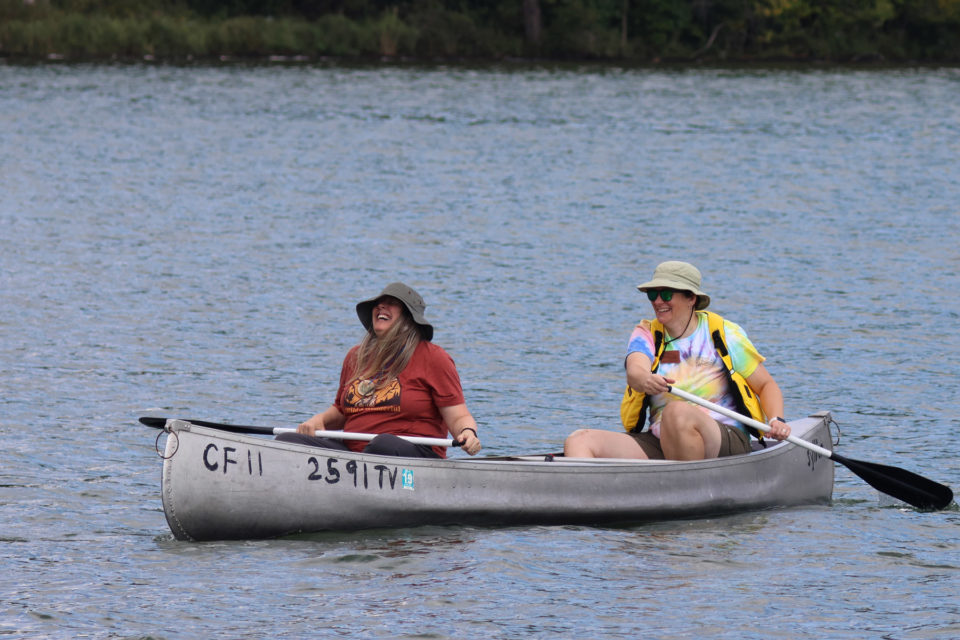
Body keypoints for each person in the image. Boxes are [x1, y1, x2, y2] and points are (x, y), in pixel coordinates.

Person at [564, 261, 790, 461]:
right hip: (663, 437)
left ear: (691, 298)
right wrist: (645, 379)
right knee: (579, 441)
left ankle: (689, 490)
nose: (658, 301)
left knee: (676, 413)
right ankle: (592, 501)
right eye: (653, 295)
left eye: (667, 294)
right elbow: (635, 370)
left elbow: (766, 385)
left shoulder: (724, 334)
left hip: (723, 436)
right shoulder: (647, 333)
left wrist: (776, 420)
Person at [277, 282, 481, 458]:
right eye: (379, 303)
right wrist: (318, 421)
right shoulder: (355, 357)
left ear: (409, 318)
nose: (381, 306)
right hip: (354, 455)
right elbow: (342, 410)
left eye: (393, 303)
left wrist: (468, 433)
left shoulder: (434, 357)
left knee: (382, 444)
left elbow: (458, 416)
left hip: (412, 455)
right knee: (287, 440)